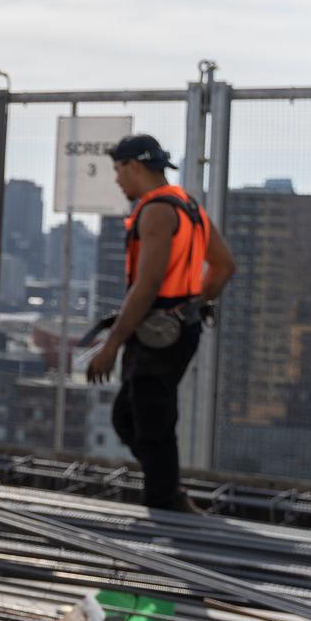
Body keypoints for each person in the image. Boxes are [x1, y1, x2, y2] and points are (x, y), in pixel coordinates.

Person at [85, 134, 235, 511]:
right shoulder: (189, 206)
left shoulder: (155, 211)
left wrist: (112, 345)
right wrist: (195, 305)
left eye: (118, 170)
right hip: (180, 327)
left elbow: (147, 285)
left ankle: (166, 502)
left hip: (157, 333)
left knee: (151, 422)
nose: (118, 180)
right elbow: (223, 266)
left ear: (134, 165)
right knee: (133, 416)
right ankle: (167, 488)